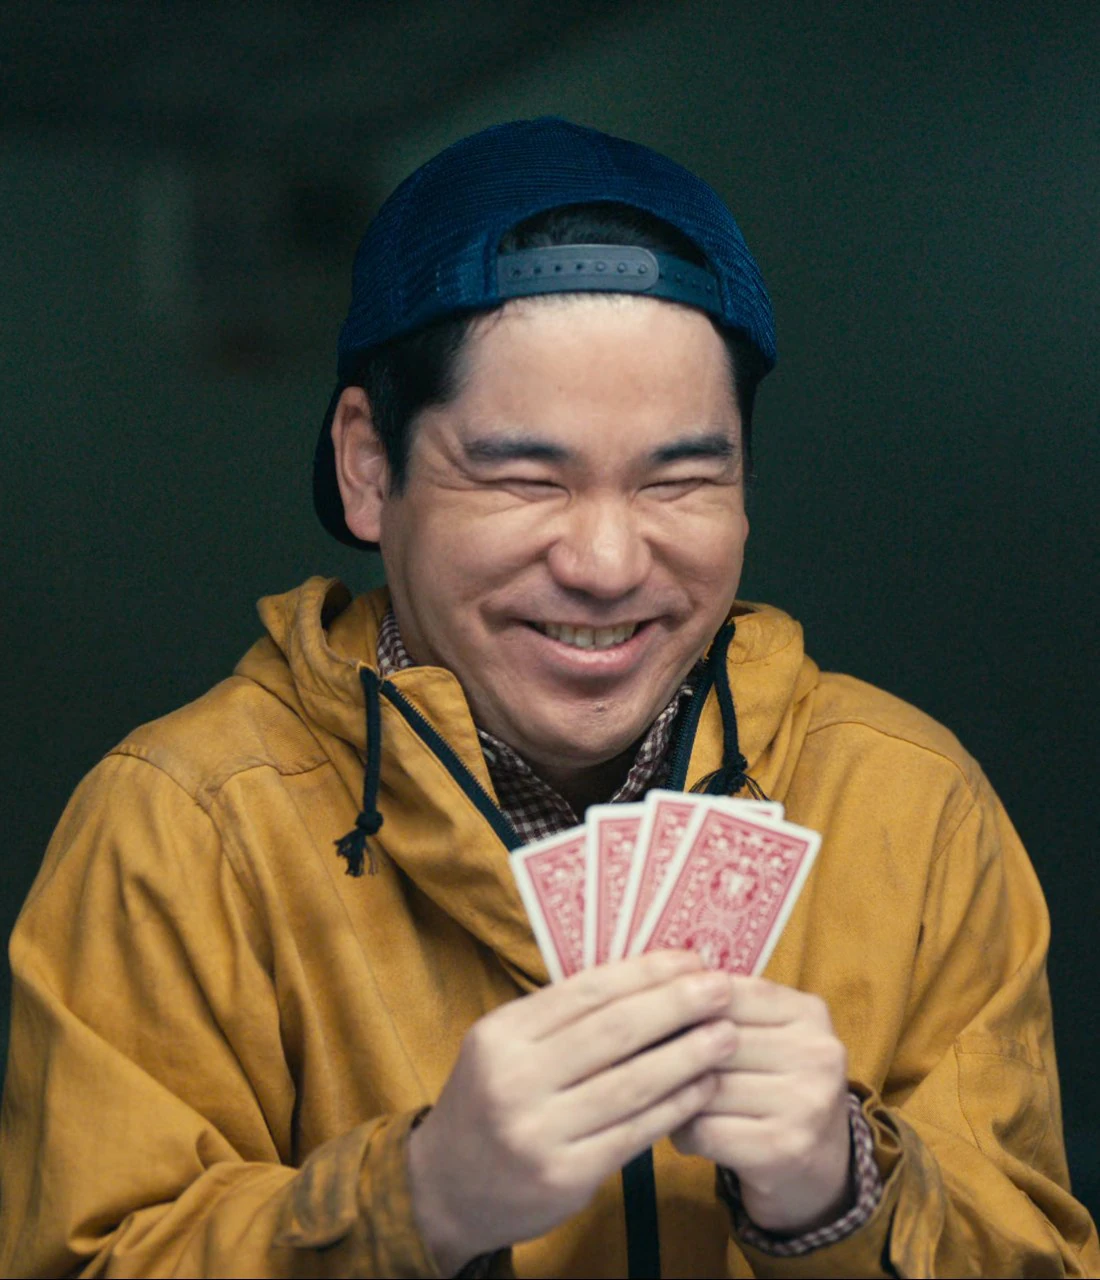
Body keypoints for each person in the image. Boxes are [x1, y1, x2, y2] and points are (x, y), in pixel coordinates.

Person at [0, 117, 1096, 1280]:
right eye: (526, 476)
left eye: (679, 477)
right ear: (369, 467)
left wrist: (838, 1190)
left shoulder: (906, 800)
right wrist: (416, 1199)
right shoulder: (182, 824)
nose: (608, 562)